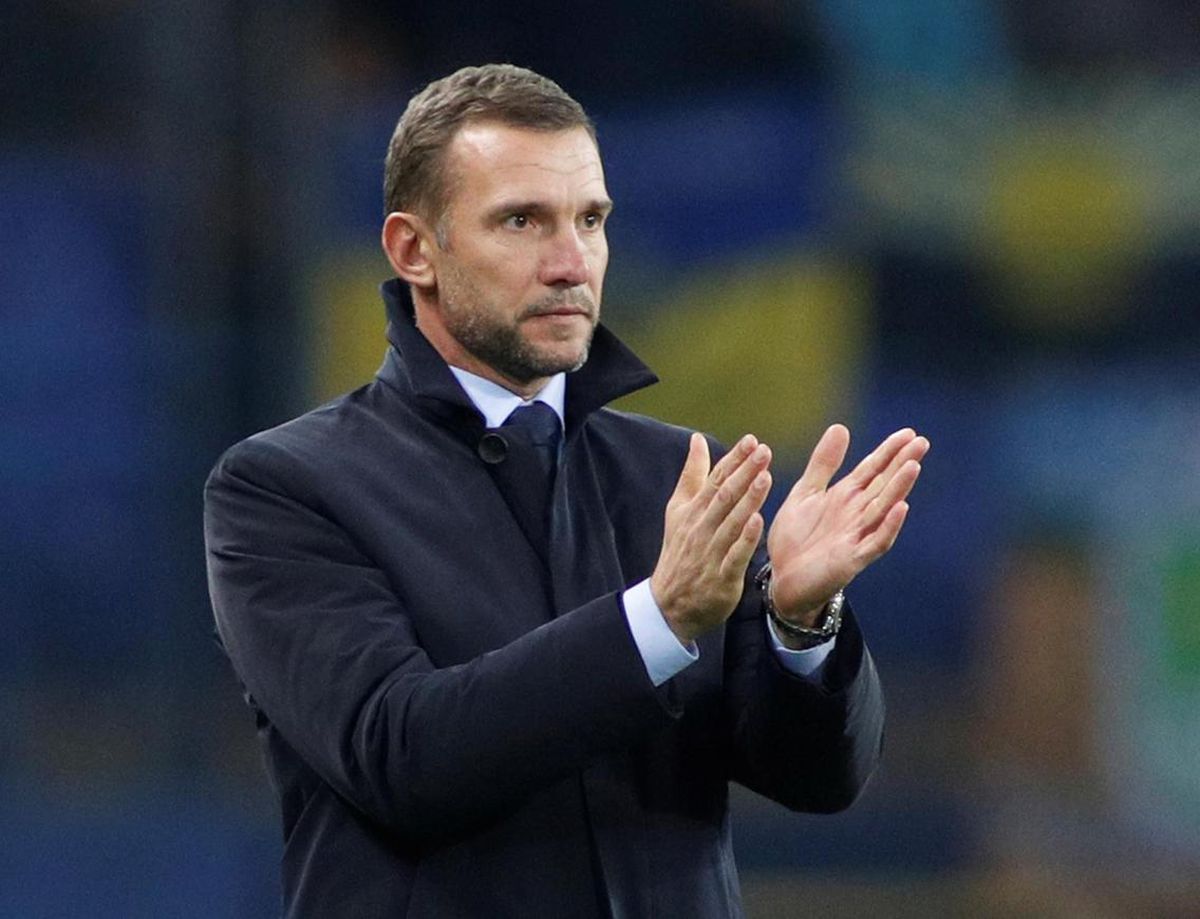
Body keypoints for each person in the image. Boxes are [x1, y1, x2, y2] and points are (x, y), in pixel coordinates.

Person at [204, 63, 929, 918]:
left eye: (590, 220)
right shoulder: (284, 488)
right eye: (522, 221)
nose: (569, 262)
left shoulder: (675, 475)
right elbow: (401, 757)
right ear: (413, 250)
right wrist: (657, 618)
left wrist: (800, 621)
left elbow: (818, 780)